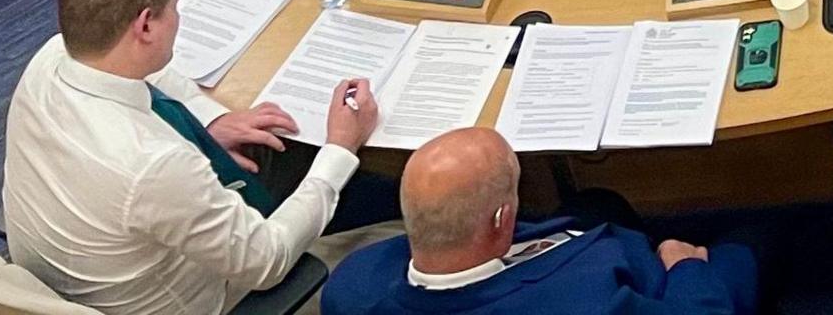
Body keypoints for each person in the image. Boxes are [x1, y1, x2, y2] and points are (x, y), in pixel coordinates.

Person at [3, 0, 387, 315]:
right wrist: (340, 148)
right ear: (146, 27)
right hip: (202, 299)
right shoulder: (153, 165)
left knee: (273, 149)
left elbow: (155, 76)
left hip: (84, 268)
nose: (179, 19)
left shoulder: (52, 59)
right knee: (372, 194)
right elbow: (266, 261)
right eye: (174, 8)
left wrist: (211, 120)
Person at [320, 127, 753, 315]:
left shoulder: (351, 285)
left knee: (598, 203)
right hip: (661, 282)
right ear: (502, 218)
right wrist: (687, 267)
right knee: (753, 240)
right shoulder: (592, 303)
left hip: (582, 242)